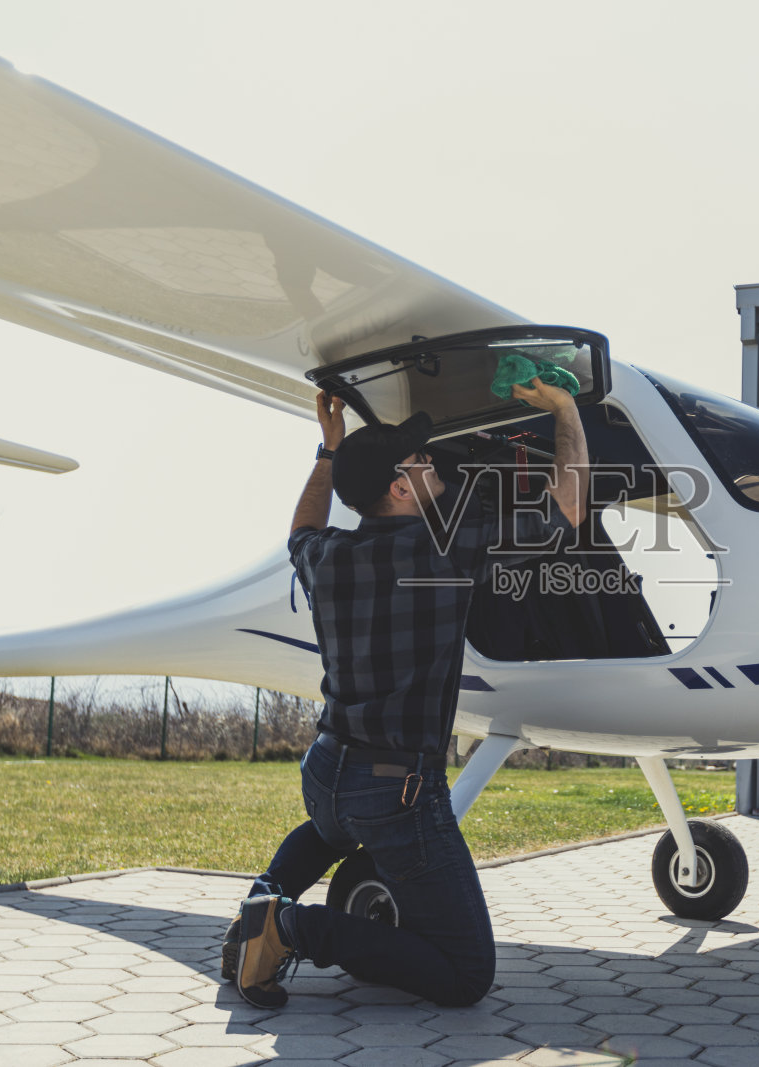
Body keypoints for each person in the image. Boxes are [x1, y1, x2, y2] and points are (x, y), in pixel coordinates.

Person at [232, 378, 589, 1009]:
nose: (432, 464)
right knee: (465, 974)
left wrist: (328, 450)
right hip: (392, 791)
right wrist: (565, 411)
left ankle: (257, 909)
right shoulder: (443, 552)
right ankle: (289, 929)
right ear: (399, 489)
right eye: (420, 461)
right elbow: (567, 512)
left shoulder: (328, 557)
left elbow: (302, 529)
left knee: (333, 829)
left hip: (326, 776)